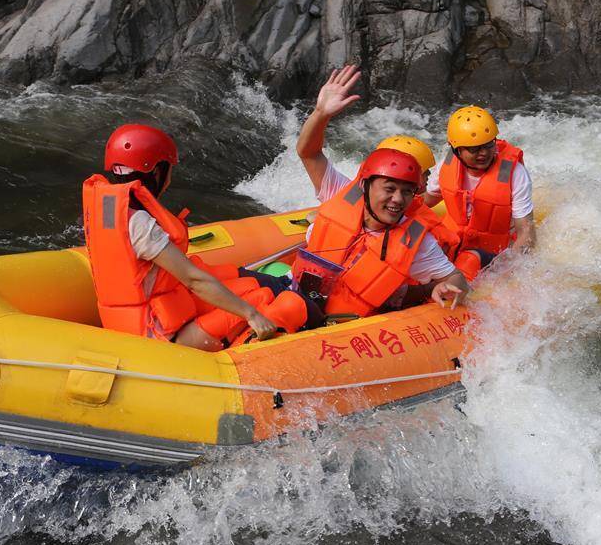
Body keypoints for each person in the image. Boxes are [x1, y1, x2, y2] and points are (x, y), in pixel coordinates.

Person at [83, 124, 307, 351]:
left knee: (248, 283)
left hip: (130, 325)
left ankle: (284, 284)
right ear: (157, 171)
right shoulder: (140, 225)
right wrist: (251, 315)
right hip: (159, 340)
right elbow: (194, 281)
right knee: (265, 298)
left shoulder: (107, 210)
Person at [296, 66, 468, 316]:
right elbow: (308, 153)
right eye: (389, 188)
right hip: (303, 294)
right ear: (366, 184)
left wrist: (442, 287)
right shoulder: (344, 194)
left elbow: (455, 278)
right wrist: (321, 114)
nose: (397, 199)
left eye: (407, 190)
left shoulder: (416, 239)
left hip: (346, 319)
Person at [423, 105, 536, 280]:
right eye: (474, 149)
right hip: (453, 240)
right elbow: (426, 201)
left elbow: (526, 232)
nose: (483, 153)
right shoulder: (447, 165)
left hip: (491, 250)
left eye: (489, 145)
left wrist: (508, 271)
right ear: (456, 149)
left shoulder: (514, 173)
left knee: (468, 262)